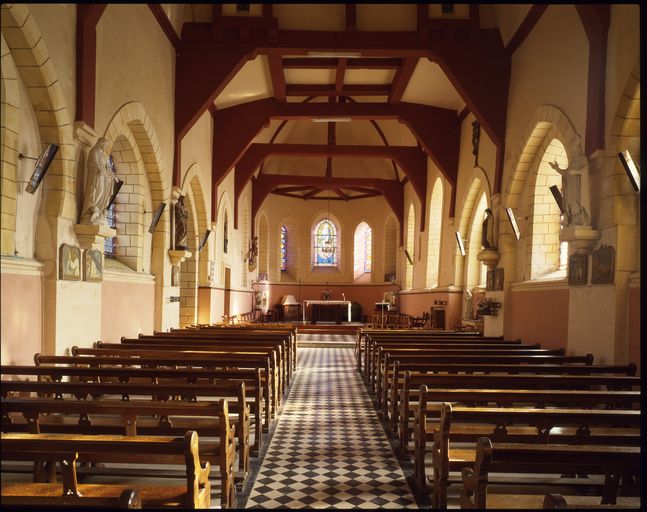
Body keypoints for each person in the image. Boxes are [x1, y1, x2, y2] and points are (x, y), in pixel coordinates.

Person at [80, 138, 119, 225]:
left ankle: (98, 211)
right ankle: (91, 210)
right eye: (104, 144)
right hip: (97, 177)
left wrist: (112, 176)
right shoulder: (94, 151)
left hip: (104, 179)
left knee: (104, 194)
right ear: (100, 144)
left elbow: (107, 168)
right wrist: (98, 170)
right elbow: (93, 162)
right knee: (98, 192)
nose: (104, 147)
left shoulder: (103, 156)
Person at [549, 160, 590, 226]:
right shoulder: (572, 163)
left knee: (575, 202)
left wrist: (575, 172)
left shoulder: (582, 159)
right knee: (569, 201)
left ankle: (577, 218)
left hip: (576, 188)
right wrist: (557, 169)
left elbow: (585, 170)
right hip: (570, 188)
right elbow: (566, 173)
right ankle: (572, 219)